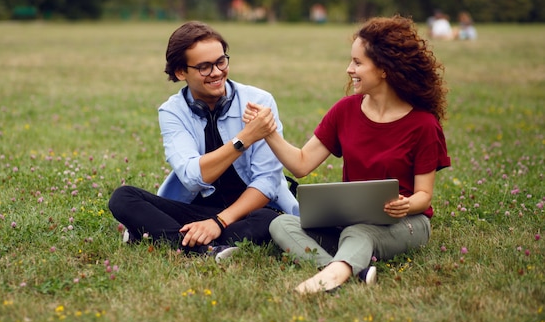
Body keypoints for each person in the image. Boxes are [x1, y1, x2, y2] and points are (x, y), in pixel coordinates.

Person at [243, 15, 451, 293]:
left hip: (407, 223)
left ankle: (326, 279)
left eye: (358, 62)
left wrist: (407, 205)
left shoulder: (423, 125)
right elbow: (301, 164)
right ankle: (350, 270)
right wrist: (268, 132)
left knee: (358, 233)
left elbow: (424, 196)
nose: (349, 69)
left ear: (384, 69)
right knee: (281, 223)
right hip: (351, 221)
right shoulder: (345, 111)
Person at [108, 21, 299, 260]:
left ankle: (159, 236)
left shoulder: (259, 101)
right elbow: (192, 176)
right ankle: (203, 249)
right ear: (180, 72)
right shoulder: (172, 111)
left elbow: (266, 183)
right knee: (123, 197)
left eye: (221, 61)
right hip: (197, 212)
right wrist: (244, 139)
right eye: (205, 67)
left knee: (270, 222)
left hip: (249, 211)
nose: (217, 72)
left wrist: (219, 222)